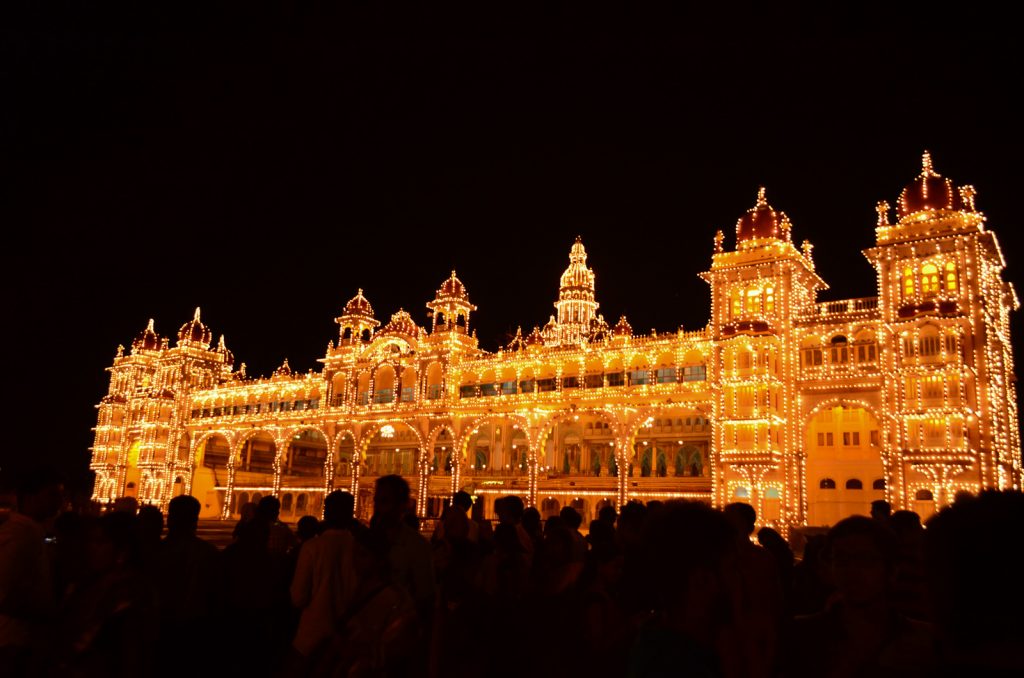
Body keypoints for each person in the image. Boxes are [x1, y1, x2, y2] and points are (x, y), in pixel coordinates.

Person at [786, 516, 937, 677]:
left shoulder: (922, 644)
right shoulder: (803, 637)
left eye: (865, 560)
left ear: (892, 570)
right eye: (842, 560)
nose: (852, 571)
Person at [0, 467, 62, 674]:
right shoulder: (22, 532)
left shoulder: (31, 529)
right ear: (29, 497)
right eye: (52, 495)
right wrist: (46, 613)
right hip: (13, 640)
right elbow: (4, 590)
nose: (59, 502)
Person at [289, 490, 358, 667]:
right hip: (349, 635)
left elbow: (298, 597)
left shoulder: (312, 547)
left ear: (326, 513)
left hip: (313, 636)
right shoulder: (360, 549)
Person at [155, 495, 221, 678]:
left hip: (159, 629)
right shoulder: (208, 553)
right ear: (195, 520)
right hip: (195, 630)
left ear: (169, 519)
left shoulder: (154, 552)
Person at [723, 502, 783, 678]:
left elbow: (775, 600)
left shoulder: (761, 559)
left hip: (756, 635)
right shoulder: (720, 559)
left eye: (732, 521)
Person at [371, 476, 435, 625]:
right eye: (377, 501)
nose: (379, 508)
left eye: (385, 501)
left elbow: (425, 596)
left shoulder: (416, 546)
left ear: (403, 505)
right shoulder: (363, 541)